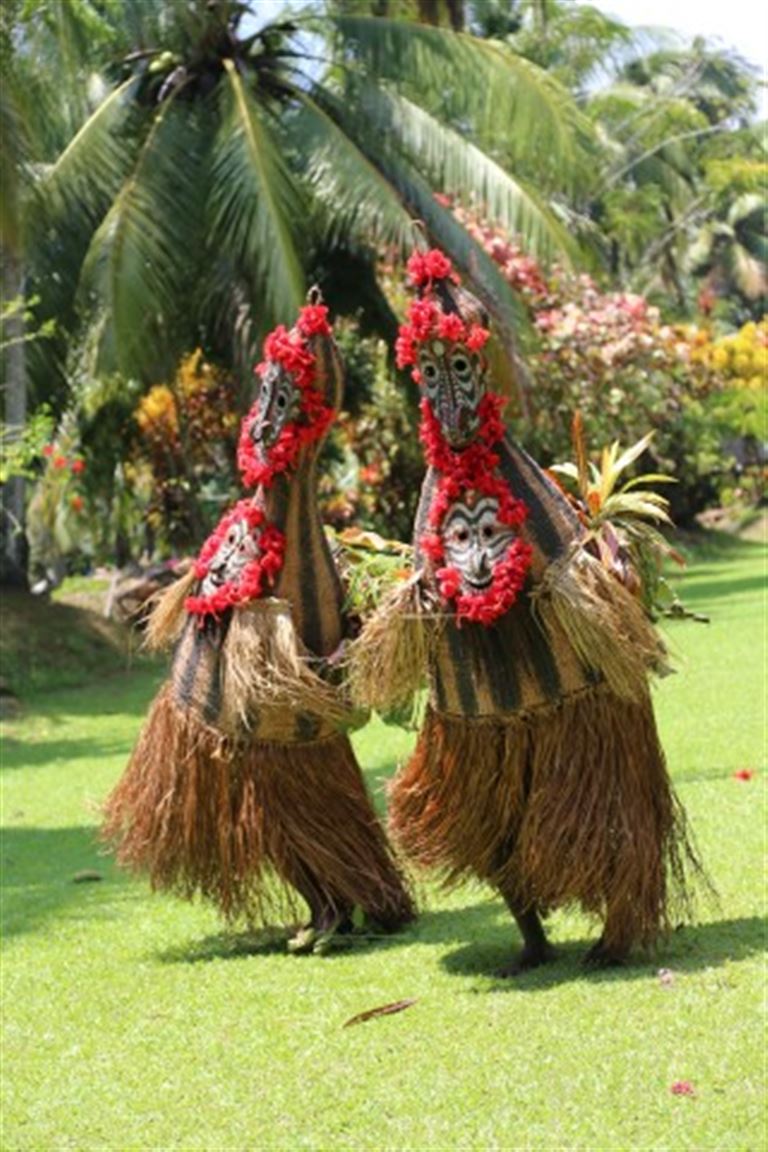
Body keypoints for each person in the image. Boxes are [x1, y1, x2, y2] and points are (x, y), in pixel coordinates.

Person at [352, 248, 701, 974]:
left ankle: (621, 922)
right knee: (487, 819)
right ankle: (533, 934)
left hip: (570, 697)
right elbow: (427, 581)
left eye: (459, 374)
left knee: (599, 808)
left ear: (482, 374)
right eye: (431, 379)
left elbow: (572, 567)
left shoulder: (526, 482)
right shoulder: (432, 498)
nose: (448, 398)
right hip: (476, 707)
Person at [103, 296, 414, 953]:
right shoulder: (251, 521)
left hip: (285, 712)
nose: (265, 416)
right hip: (231, 704)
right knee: (268, 785)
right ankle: (343, 896)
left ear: (308, 416)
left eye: (282, 401)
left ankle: (345, 898)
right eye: (265, 398)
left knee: (296, 783)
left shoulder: (302, 541)